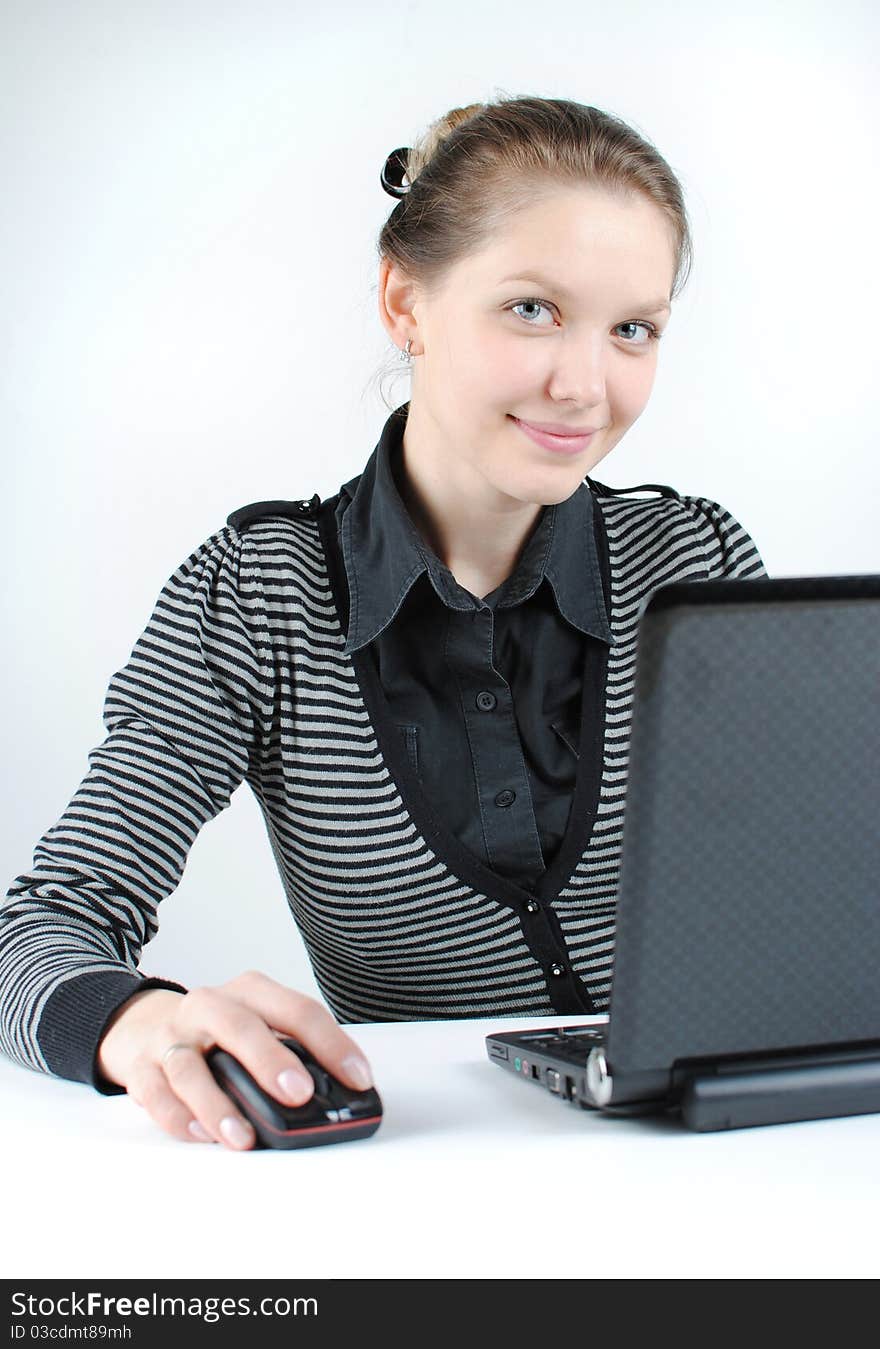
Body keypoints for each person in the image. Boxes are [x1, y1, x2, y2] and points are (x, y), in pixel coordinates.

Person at [0, 95, 766, 1151]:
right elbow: (35, 932)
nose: (584, 385)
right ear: (404, 302)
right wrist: (138, 1021)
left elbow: (805, 896)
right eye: (532, 309)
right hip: (422, 1184)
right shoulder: (256, 593)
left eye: (631, 328)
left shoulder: (696, 560)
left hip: (739, 1167)